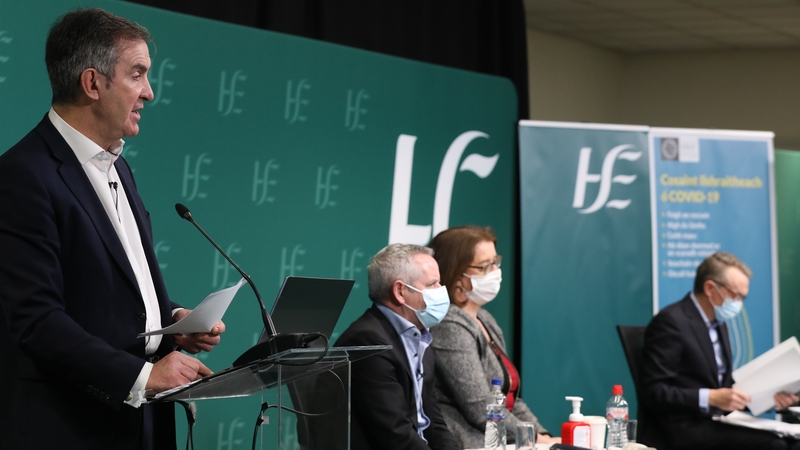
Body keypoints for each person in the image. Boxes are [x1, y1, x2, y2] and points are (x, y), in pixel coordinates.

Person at [0, 8, 224, 449]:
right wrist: (143, 375)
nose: (150, 93)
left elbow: (105, 289)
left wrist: (172, 321)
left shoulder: (118, 166)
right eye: (137, 74)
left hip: (140, 424)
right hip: (70, 425)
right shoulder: (23, 176)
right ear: (93, 83)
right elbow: (36, 318)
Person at [640, 251, 800, 450]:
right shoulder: (671, 322)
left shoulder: (719, 323)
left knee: (793, 442)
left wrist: (769, 398)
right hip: (682, 427)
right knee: (775, 446)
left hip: (718, 420)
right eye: (735, 295)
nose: (738, 304)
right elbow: (654, 392)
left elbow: (723, 386)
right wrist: (711, 397)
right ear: (710, 288)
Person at [427, 225, 559, 448]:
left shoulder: (485, 319)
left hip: (504, 439)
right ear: (457, 275)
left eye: (495, 262)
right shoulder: (449, 325)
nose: (495, 272)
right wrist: (533, 439)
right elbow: (480, 408)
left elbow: (510, 400)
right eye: (484, 266)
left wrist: (542, 434)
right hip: (472, 441)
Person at [333, 244, 459, 450]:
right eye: (432, 284)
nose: (441, 291)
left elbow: (433, 421)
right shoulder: (367, 341)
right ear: (400, 291)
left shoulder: (421, 337)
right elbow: (395, 433)